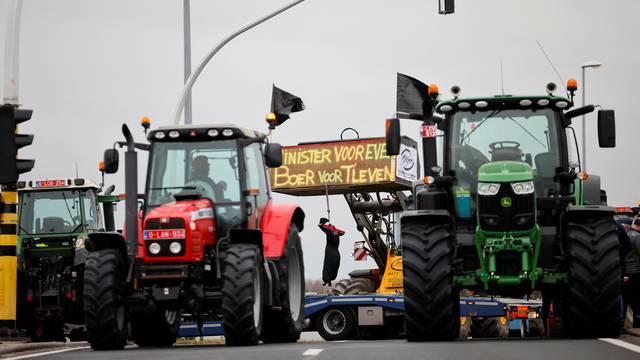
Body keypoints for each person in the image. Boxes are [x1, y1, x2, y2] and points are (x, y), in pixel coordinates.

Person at [625, 216, 640, 328]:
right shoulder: (637, 237)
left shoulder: (626, 235)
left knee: (627, 298)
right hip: (635, 271)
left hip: (625, 271)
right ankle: (637, 323)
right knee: (637, 298)